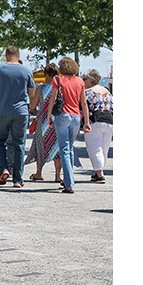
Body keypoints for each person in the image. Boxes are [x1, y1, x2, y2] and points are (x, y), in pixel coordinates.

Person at [0, 47, 32, 189]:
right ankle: (18, 179)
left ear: (6, 55)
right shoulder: (26, 71)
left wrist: (1, 94)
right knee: (19, 144)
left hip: (2, 110)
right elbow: (31, 93)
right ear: (18, 56)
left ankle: (3, 169)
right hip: (21, 111)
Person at [46, 59, 90, 194]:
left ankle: (69, 183)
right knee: (70, 148)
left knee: (64, 149)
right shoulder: (80, 81)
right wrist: (87, 122)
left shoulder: (57, 80)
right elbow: (83, 102)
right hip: (76, 117)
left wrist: (49, 116)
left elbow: (53, 98)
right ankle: (68, 179)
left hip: (63, 115)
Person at [82, 69, 113, 183]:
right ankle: (98, 171)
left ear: (90, 80)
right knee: (104, 148)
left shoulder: (87, 92)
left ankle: (100, 173)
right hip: (109, 120)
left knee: (94, 147)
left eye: (84, 79)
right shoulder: (107, 91)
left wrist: (85, 123)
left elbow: (84, 108)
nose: (82, 82)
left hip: (95, 120)